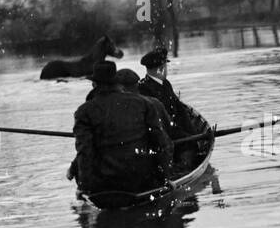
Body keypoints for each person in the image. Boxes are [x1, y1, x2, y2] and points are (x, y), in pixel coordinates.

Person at [68, 61, 171, 194]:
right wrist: (165, 178)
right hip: (144, 182)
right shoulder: (144, 103)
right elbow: (161, 143)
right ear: (117, 83)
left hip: (105, 186)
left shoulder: (83, 112)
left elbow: (85, 153)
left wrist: (83, 187)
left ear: (94, 85)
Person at [138, 49, 206, 139]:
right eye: (165, 66)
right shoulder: (144, 89)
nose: (166, 69)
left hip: (176, 131)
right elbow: (159, 120)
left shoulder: (165, 83)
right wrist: (185, 135)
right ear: (160, 69)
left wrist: (192, 134)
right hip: (164, 136)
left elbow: (180, 109)